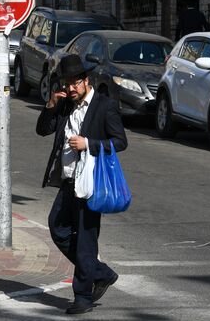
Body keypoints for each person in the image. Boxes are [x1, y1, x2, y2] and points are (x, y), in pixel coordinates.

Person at [36, 55, 128, 315]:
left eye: (76, 83)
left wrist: (89, 144)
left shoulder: (104, 106)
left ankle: (83, 297)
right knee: (58, 228)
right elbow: (43, 130)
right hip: (68, 181)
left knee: (86, 240)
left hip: (90, 182)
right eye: (67, 84)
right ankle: (100, 272)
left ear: (86, 81)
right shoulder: (65, 105)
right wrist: (51, 105)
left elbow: (120, 142)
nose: (71, 88)